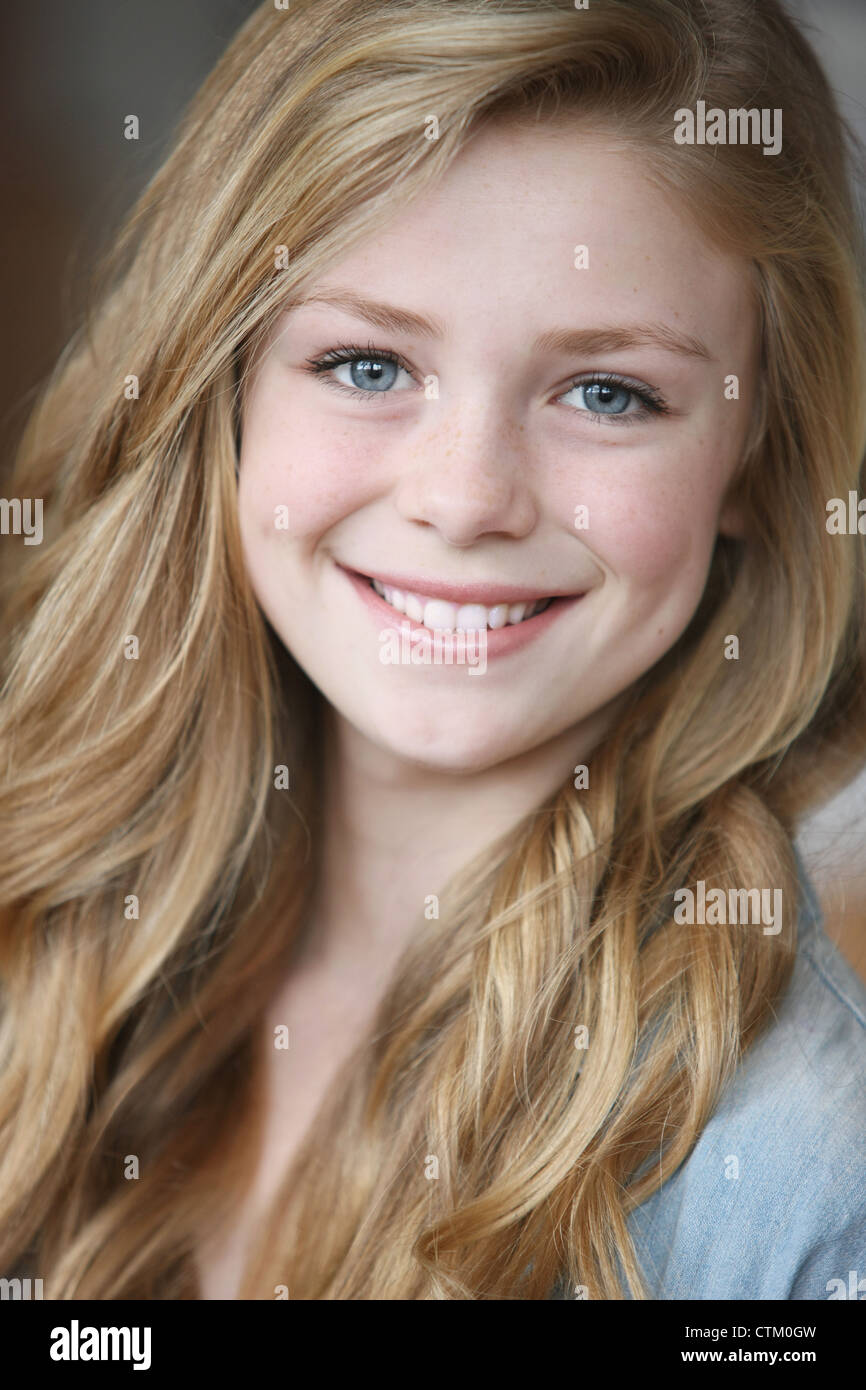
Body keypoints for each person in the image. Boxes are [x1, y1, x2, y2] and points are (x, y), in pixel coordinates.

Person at [1, 0, 864, 1301]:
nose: (465, 499)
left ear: (751, 460)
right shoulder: (47, 908)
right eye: (364, 364)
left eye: (606, 392)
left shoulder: (800, 1164)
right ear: (220, 386)